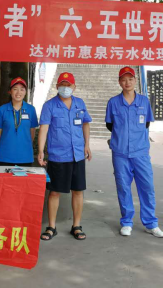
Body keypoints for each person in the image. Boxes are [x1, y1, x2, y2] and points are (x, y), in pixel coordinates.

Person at [105, 66, 163, 238]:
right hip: (120, 152)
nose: (127, 82)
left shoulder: (144, 102)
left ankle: (151, 223)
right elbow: (110, 125)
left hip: (141, 153)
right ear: (119, 82)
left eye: (130, 79)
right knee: (123, 188)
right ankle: (126, 222)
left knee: (147, 187)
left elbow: (146, 124)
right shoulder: (113, 102)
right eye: (124, 80)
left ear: (135, 80)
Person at [38, 72, 92, 241]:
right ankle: (51, 227)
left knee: (78, 191)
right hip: (58, 156)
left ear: (74, 87)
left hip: (78, 155)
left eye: (69, 85)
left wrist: (87, 144)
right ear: (57, 86)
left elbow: (85, 123)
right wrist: (41, 150)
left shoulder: (80, 103)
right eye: (62, 85)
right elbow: (44, 128)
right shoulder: (49, 105)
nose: (65, 88)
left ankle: (76, 226)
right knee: (55, 192)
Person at [0, 77, 39, 166]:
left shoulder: (31, 109)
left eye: (22, 89)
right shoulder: (2, 109)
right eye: (15, 89)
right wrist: (5, 147)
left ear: (25, 92)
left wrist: (25, 145)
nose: (18, 92)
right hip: (5, 156)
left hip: (25, 156)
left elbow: (32, 132)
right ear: (10, 91)